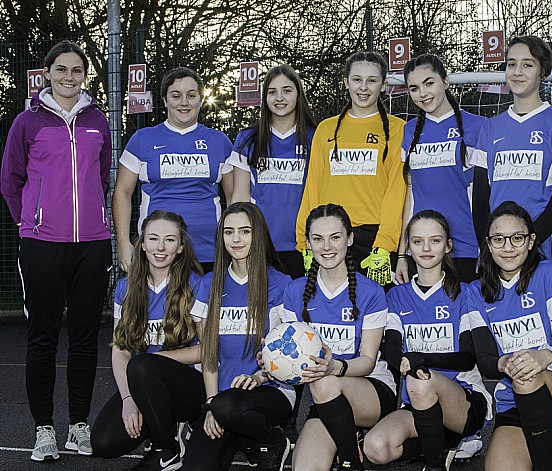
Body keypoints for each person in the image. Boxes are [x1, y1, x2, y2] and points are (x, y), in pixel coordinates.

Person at [0, 40, 112, 461]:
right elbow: (10, 181)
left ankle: (78, 426)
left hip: (93, 246)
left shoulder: (98, 121)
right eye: (61, 70)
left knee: (85, 339)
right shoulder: (26, 123)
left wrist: (93, 217)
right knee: (42, 339)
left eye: (76, 71)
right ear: (47, 73)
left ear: (85, 76)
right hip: (42, 244)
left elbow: (101, 177)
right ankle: (43, 429)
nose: (69, 77)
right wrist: (31, 222)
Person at [468, 201, 552, 471]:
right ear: (488, 244)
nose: (508, 247)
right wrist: (503, 364)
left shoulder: (548, 274)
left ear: (531, 241)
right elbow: (485, 360)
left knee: (527, 372)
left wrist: (545, 356)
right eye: (499, 239)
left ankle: (549, 458)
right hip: (512, 402)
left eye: (517, 238)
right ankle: (551, 451)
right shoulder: (476, 292)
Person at [363, 210, 492, 471]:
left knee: (420, 379)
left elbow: (468, 357)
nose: (426, 248)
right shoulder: (396, 296)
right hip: (417, 403)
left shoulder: (465, 293)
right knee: (375, 448)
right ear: (408, 247)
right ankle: (442, 445)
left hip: (464, 401)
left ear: (448, 246)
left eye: (435, 240)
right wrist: (412, 362)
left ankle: (436, 464)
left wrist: (422, 360)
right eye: (418, 241)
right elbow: (391, 352)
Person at [284, 204, 396, 471]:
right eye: (318, 239)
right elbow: (292, 356)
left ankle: (350, 460)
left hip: (370, 387)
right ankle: (348, 434)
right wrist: (271, 363)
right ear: (308, 243)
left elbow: (368, 361)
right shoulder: (295, 291)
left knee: (325, 382)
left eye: (335, 237)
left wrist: (336, 367)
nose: (327, 246)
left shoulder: (371, 292)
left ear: (350, 238)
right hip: (325, 400)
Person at [182, 202, 293, 471]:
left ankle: (271, 439)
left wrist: (260, 376)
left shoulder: (280, 284)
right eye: (229, 232)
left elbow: (290, 351)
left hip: (270, 389)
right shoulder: (209, 283)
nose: (236, 239)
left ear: (258, 235)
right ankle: (244, 440)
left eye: (245, 231)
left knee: (234, 409)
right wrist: (210, 406)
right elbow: (208, 354)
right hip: (221, 398)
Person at [91, 210, 205, 471]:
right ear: (142, 244)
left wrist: (152, 362)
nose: (160, 247)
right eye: (153, 239)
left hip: (188, 387)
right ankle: (165, 425)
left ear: (180, 247)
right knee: (104, 442)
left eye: (169, 240)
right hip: (142, 383)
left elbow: (205, 350)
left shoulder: (197, 286)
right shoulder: (127, 287)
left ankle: (166, 447)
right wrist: (128, 399)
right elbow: (120, 349)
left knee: (143, 365)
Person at [296, 52, 406, 286]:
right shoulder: (326, 129)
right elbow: (313, 186)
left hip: (374, 239)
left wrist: (385, 244)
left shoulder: (398, 129)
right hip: (330, 235)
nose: (363, 87)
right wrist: (304, 240)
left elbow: (397, 191)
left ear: (384, 85)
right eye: (357, 79)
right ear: (346, 82)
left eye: (372, 80)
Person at [472, 36, 552, 272]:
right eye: (511, 64)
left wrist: (529, 242)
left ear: (543, 71)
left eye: (527, 64)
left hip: (543, 248)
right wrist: (490, 244)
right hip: (498, 252)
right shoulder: (490, 129)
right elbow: (480, 197)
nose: (517, 72)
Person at [113, 67, 235, 273]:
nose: (184, 102)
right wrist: (123, 243)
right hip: (157, 253)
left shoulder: (219, 142)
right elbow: (122, 192)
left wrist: (233, 243)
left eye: (191, 95)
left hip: (209, 251)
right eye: (176, 96)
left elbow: (235, 197)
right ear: (165, 100)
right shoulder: (142, 140)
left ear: (201, 99)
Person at [395, 54, 486, 285]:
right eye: (414, 88)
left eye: (429, 83)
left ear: (445, 81)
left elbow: (488, 194)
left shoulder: (479, 127)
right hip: (424, 250)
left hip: (469, 247)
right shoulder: (409, 132)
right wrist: (402, 253)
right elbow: (409, 197)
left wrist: (487, 246)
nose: (423, 93)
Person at [230, 64, 316, 279]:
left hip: (304, 245)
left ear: (298, 95)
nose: (279, 98)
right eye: (272, 92)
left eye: (287, 90)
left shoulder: (315, 137)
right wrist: (239, 239)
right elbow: (239, 196)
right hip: (261, 245)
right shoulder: (247, 138)